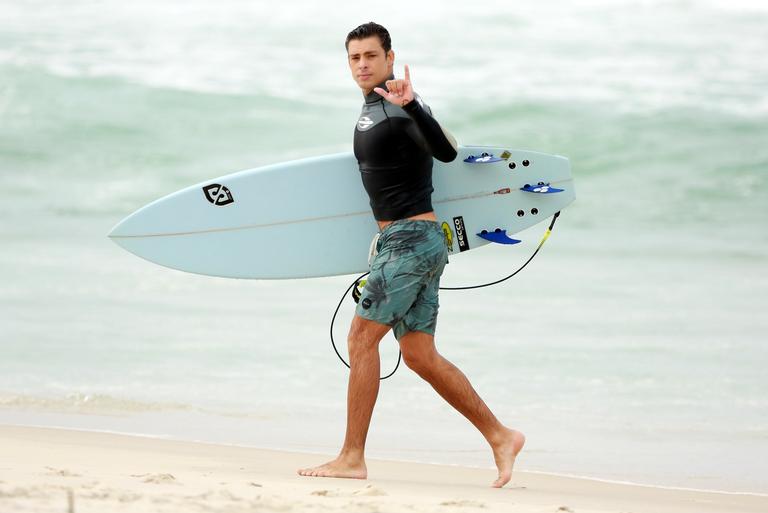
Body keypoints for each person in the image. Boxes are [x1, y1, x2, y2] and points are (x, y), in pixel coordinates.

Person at [298, 22, 525, 488]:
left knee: (362, 340)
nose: (362, 64)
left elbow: (446, 151)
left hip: (409, 242)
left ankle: (351, 457)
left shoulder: (398, 110)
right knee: (420, 355)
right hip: (411, 243)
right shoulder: (371, 110)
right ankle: (501, 435)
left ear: (388, 57)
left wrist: (414, 105)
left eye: (370, 56)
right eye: (354, 57)